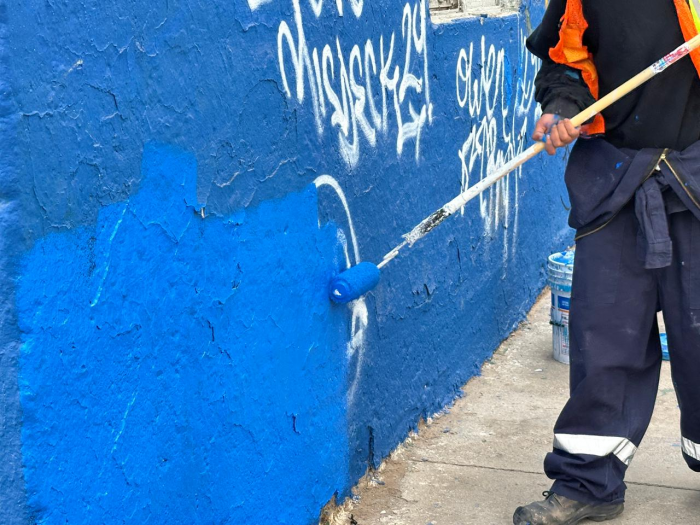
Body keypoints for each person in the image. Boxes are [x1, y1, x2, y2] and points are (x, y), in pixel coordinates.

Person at [513, 1, 700, 524]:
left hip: (696, 176)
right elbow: (565, 61)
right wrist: (561, 105)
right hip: (616, 180)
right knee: (603, 338)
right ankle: (588, 482)